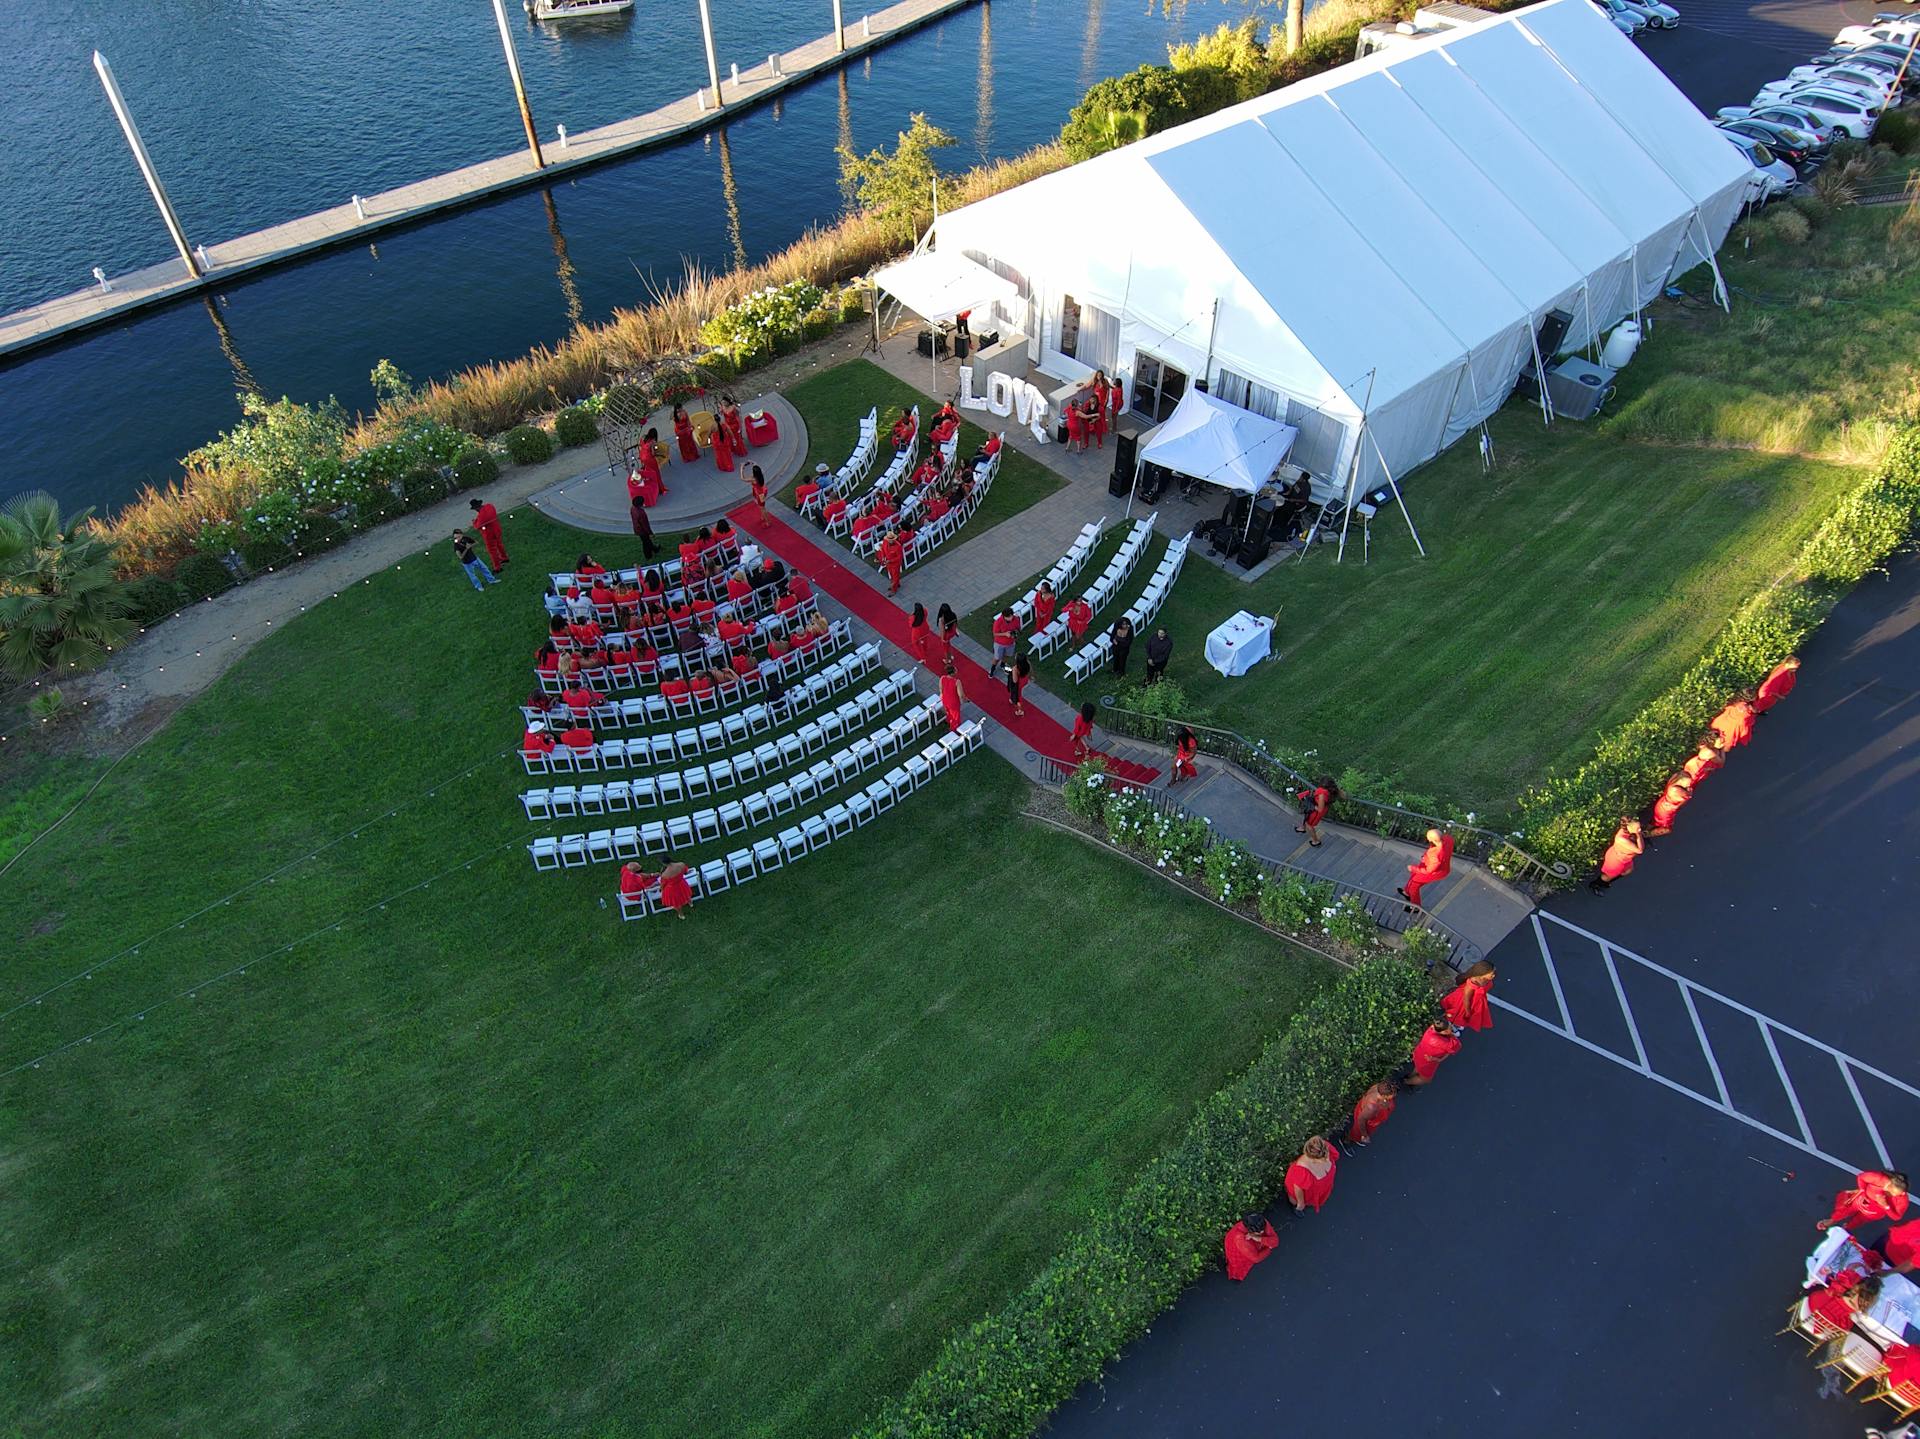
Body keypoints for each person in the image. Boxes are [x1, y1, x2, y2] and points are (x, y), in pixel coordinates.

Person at [1818, 1170, 1911, 1232]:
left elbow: (1896, 1217)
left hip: (1872, 1213)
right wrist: (1862, 1190)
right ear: (1890, 1184)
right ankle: (1832, 1220)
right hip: (1861, 1200)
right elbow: (1861, 1177)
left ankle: (1844, 1229)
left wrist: (1885, 1206)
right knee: (1844, 1210)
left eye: (1899, 1194)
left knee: (1858, 1221)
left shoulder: (1903, 1199)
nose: (1896, 1196)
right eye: (1893, 1193)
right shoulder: (1879, 1179)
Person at [1805, 1269, 1881, 1333]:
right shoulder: (1858, 1307)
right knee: (1849, 1326)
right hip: (1829, 1323)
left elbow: (1850, 1269)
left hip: (1816, 1306)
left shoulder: (1846, 1288)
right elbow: (1846, 1326)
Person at [1400, 828, 1455, 911]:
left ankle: (1415, 907)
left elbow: (1429, 870)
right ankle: (1407, 892)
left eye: (1428, 837)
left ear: (1433, 840)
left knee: (1414, 884)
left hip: (1435, 872)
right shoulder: (1448, 839)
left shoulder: (1435, 855)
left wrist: (1413, 868)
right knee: (1414, 877)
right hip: (1441, 867)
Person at [1588, 816, 1645, 894]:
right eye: (1637, 828)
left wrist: (1638, 833)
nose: (1640, 830)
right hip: (1616, 860)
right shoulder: (1621, 838)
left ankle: (1608, 881)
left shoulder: (1630, 832)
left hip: (1626, 859)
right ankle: (1596, 884)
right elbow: (1640, 850)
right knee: (1608, 876)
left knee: (1628, 870)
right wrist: (1638, 834)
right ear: (1629, 827)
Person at [1285, 1136, 1338, 1213]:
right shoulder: (1301, 1170)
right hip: (1308, 1191)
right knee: (1294, 1200)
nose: (1327, 1159)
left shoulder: (1322, 1148)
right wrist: (1300, 1203)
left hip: (1316, 1189)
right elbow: (1297, 1188)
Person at [1441, 961, 1496, 1032]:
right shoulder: (1473, 982)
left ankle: (1455, 1024)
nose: (1493, 976)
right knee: (1458, 1015)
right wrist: (1468, 1012)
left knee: (1461, 1018)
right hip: (1464, 1003)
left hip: (1475, 1001)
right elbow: (1466, 999)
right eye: (1491, 974)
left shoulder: (1486, 979)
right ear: (1483, 973)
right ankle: (1451, 1026)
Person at [1222, 1212, 1279, 1282]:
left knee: (1233, 1264)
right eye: (1259, 1232)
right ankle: (1235, 1276)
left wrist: (1259, 1238)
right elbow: (1256, 1258)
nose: (1262, 1232)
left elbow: (1275, 1241)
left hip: (1235, 1242)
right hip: (1238, 1248)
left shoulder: (1258, 1222)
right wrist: (1269, 1248)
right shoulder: (1241, 1239)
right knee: (1238, 1266)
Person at [1405, 1020, 1462, 1087]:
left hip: (1419, 1053)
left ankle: (1410, 1076)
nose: (1452, 1029)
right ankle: (1406, 1082)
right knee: (1426, 1079)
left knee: (1418, 1067)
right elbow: (1458, 1045)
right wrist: (1451, 1034)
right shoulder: (1445, 1043)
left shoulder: (1431, 1029)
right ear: (1444, 1032)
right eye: (1450, 1028)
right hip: (1428, 1062)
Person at [1347, 1079, 1397, 1146]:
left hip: (1365, 1112)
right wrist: (1364, 1135)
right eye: (1392, 1094)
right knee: (1356, 1134)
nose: (1394, 1095)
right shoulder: (1372, 1107)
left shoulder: (1378, 1087)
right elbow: (1361, 1120)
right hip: (1365, 1118)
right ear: (1384, 1096)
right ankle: (1347, 1140)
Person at [1294, 777, 1338, 848]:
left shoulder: (1322, 794)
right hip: (1319, 808)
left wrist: (1310, 804)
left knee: (1309, 824)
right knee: (1307, 817)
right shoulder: (1332, 790)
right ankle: (1302, 828)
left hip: (1316, 812)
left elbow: (1320, 809)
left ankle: (1316, 841)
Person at [1648, 772, 1693, 837]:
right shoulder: (1677, 790)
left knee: (1656, 820)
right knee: (1667, 829)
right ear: (1680, 780)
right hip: (1667, 811)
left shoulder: (1673, 785)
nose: (1689, 784)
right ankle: (1648, 834)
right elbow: (1688, 797)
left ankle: (1647, 829)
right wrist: (1690, 793)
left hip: (1663, 805)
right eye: (1688, 782)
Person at [468, 498, 508, 570]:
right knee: (499, 544)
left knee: (492, 550)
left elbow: (477, 526)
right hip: (497, 529)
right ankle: (504, 557)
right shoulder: (490, 506)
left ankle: (497, 567)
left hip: (489, 534)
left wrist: (474, 522)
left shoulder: (481, 516)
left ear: (476, 508)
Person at [940, 658, 966, 734]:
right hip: (953, 701)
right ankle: (953, 730)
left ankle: (948, 720)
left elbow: (941, 689)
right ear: (953, 672)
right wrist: (965, 700)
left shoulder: (942, 678)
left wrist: (942, 696)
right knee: (955, 716)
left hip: (945, 699)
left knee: (948, 711)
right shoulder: (957, 682)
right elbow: (961, 695)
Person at [990, 610, 1018, 677]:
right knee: (997, 658)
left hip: (1010, 643)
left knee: (1007, 655)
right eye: (1009, 617)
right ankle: (992, 669)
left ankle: (1003, 665)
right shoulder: (998, 622)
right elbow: (995, 634)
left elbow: (1017, 628)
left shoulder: (1015, 619)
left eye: (1012, 616)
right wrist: (1005, 634)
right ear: (1004, 617)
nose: (1011, 618)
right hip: (999, 644)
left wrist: (1015, 634)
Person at [878, 529, 906, 596]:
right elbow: (883, 550)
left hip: (895, 564)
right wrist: (883, 558)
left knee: (895, 576)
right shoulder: (885, 542)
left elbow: (899, 557)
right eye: (889, 539)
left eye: (891, 539)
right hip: (888, 563)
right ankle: (897, 584)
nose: (890, 541)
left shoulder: (898, 546)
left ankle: (894, 590)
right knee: (891, 575)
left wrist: (890, 560)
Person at [1006, 652, 1032, 718]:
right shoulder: (1027, 663)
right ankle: (1012, 699)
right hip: (1024, 679)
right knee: (1017, 694)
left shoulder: (1015, 668)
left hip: (1018, 684)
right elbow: (1030, 670)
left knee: (1018, 697)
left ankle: (1020, 711)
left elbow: (1015, 680)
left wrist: (1011, 673)